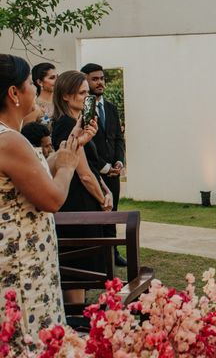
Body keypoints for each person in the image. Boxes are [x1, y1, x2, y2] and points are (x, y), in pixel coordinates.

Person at [0, 54, 94, 348]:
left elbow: (36, 173)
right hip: (23, 267)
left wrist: (71, 147)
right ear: (14, 93)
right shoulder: (10, 141)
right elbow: (51, 199)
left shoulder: (10, 139)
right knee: (32, 342)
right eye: (29, 82)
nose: (36, 90)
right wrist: (67, 167)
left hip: (22, 260)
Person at [51, 70, 113, 304]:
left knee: (84, 271)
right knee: (78, 269)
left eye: (88, 93)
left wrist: (105, 187)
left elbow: (93, 169)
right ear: (66, 96)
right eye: (82, 92)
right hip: (77, 202)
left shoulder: (79, 124)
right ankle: (74, 321)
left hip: (84, 199)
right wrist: (102, 199)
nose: (88, 97)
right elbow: (84, 173)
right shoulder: (66, 125)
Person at [80, 63, 127, 267]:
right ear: (86, 80)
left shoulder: (110, 107)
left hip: (113, 172)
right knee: (98, 215)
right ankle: (99, 255)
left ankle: (113, 251)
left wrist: (119, 161)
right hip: (94, 170)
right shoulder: (84, 110)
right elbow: (86, 143)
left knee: (113, 212)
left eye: (102, 79)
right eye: (95, 79)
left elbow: (118, 138)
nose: (100, 82)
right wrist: (104, 166)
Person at [22, 62, 57, 128]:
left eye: (57, 77)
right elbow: (27, 133)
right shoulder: (34, 106)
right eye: (52, 78)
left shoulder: (61, 102)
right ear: (39, 82)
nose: (57, 80)